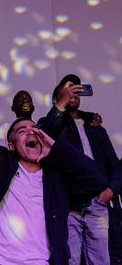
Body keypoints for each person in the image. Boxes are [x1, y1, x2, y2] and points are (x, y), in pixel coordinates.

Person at [0, 51, 109, 265]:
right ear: (10, 145)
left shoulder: (55, 179)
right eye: (21, 131)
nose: (30, 132)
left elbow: (97, 181)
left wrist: (56, 149)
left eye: (34, 129)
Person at [38, 74, 122, 265]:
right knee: (71, 260)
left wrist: (112, 189)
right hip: (68, 206)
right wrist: (60, 105)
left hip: (98, 203)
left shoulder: (95, 127)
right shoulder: (51, 123)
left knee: (101, 261)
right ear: (57, 98)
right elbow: (44, 138)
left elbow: (114, 165)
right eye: (68, 89)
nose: (73, 92)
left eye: (76, 89)